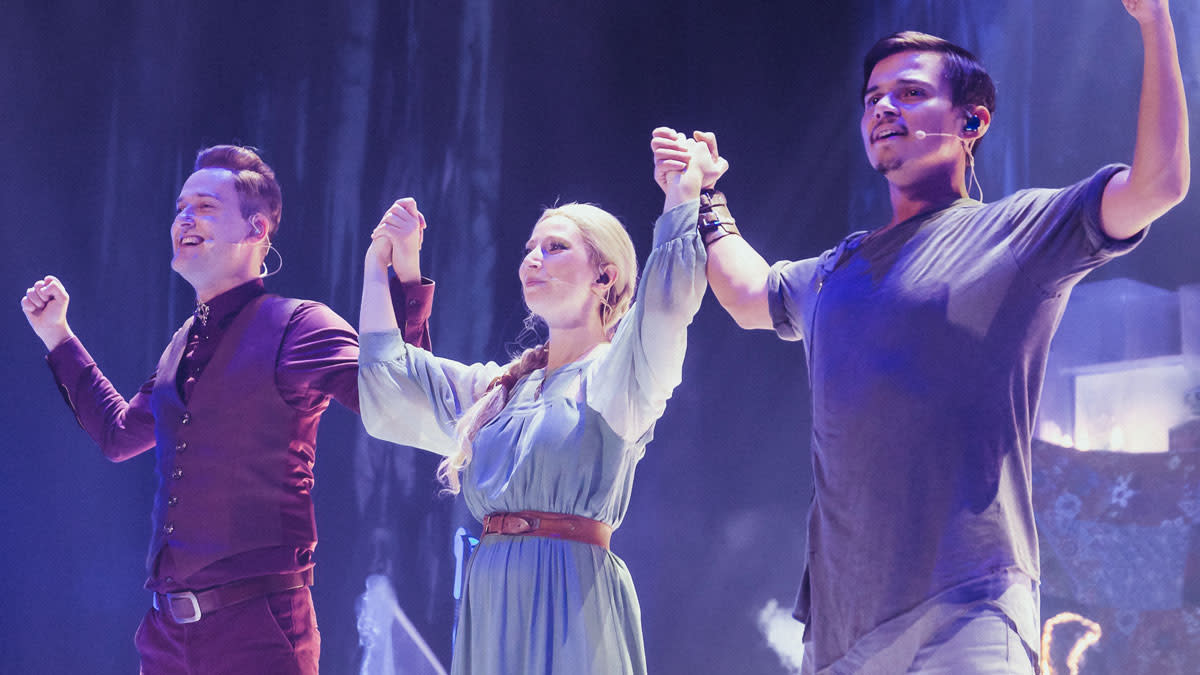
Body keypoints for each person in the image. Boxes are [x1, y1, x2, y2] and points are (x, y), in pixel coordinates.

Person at [653, 1, 1188, 673]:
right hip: (841, 633)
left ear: (972, 122)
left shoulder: (1015, 232)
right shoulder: (835, 271)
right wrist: (704, 196)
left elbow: (1158, 185)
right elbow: (745, 293)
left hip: (969, 606)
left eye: (909, 93)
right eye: (873, 97)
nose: (883, 107)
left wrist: (1154, 21)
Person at [20, 145, 434, 675]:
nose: (184, 219)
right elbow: (119, 435)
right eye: (180, 208)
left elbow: (400, 401)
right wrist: (58, 336)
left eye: (205, 208)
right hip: (166, 634)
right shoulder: (183, 344)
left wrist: (405, 274)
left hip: (257, 629)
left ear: (256, 229)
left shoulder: (299, 325)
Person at [355, 138, 721, 674]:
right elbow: (392, 378)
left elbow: (666, 304)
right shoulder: (499, 390)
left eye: (554, 248)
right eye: (531, 248)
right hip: (491, 599)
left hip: (570, 599)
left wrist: (681, 194)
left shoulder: (618, 374)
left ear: (604, 276)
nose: (533, 258)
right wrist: (380, 263)